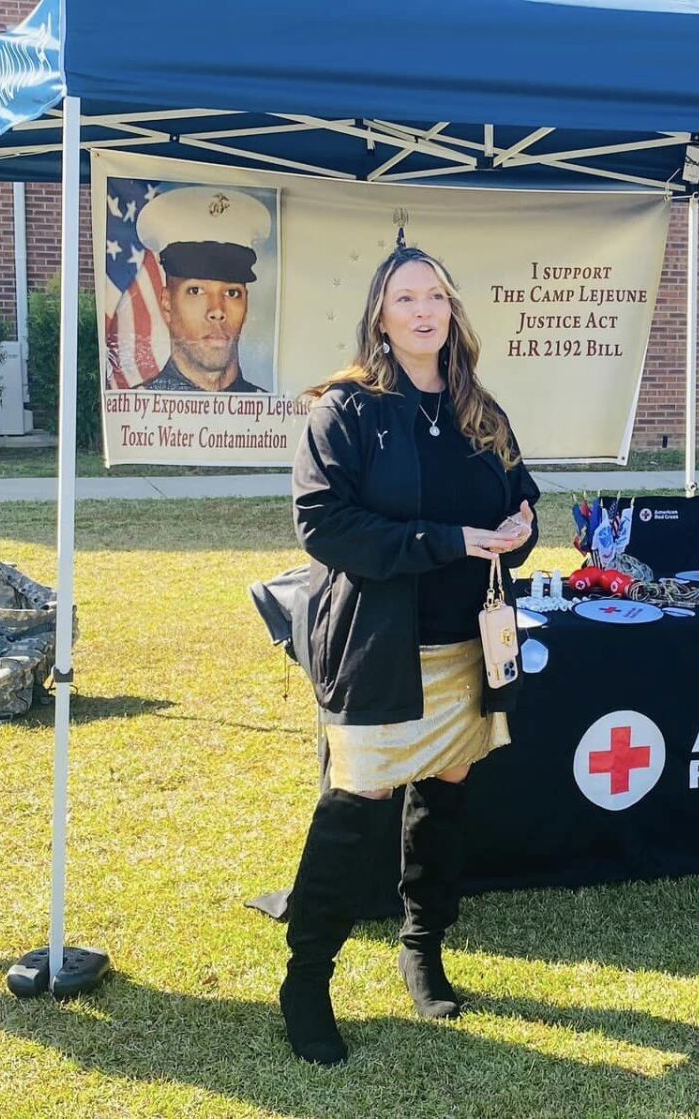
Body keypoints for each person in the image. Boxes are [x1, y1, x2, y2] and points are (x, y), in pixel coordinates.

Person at [283, 244, 540, 1065]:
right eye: (406, 298)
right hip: (379, 645)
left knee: (446, 791)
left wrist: (524, 522)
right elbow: (323, 526)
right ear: (380, 316)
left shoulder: (480, 410)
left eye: (436, 295)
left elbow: (518, 492)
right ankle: (307, 977)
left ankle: (422, 944)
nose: (424, 310)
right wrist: (449, 539)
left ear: (453, 311)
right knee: (355, 805)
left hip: (465, 643)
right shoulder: (346, 411)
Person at [138, 185, 271, 393]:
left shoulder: (268, 412)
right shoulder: (137, 408)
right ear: (166, 304)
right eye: (196, 290)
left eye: (232, 293)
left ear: (246, 303)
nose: (217, 311)